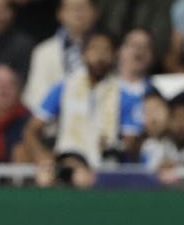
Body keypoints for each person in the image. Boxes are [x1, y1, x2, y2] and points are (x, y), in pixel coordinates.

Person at [24, 31, 142, 168]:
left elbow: (131, 141)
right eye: (94, 49)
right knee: (45, 176)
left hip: (107, 166)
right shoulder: (64, 88)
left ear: (115, 55)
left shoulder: (125, 95)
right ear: (83, 53)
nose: (100, 56)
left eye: (106, 50)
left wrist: (115, 147)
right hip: (67, 161)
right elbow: (31, 130)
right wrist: (43, 156)